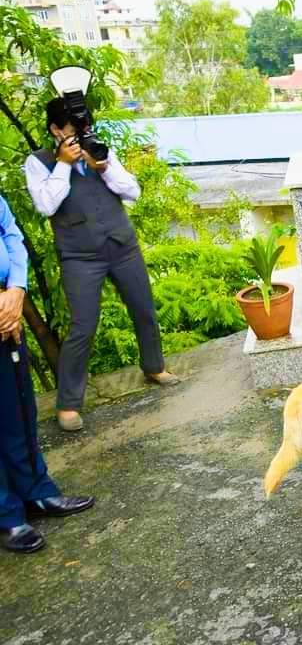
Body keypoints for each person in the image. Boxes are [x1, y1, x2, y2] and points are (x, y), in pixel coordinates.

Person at [24, 99, 178, 433]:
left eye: (84, 129)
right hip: (79, 257)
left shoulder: (101, 151)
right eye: (72, 130)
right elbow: (46, 206)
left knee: (144, 310)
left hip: (122, 245)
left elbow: (132, 191)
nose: (81, 136)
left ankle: (154, 367)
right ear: (55, 130)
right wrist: (64, 164)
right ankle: (68, 404)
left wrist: (105, 167)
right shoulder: (38, 162)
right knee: (82, 327)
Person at [0, 193, 94, 554]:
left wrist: (16, 290)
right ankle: (7, 514)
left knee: (19, 409)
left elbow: (10, 233)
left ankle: (36, 491)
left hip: (7, 304)